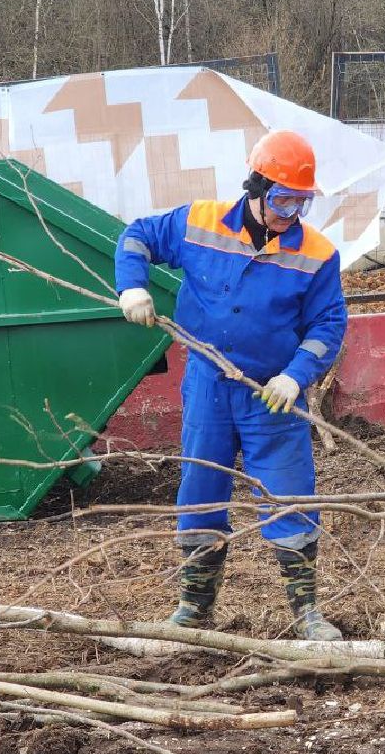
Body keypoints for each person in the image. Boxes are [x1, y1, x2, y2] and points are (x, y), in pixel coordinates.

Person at [114, 129, 348, 642]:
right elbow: (136, 235)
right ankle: (195, 609)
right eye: (283, 198)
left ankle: (306, 612)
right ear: (256, 186)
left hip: (273, 394)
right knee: (200, 491)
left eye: (302, 202)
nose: (291, 212)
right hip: (207, 386)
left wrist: (295, 376)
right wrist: (132, 285)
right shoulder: (197, 224)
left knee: (289, 494)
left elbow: (329, 325)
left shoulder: (316, 253)